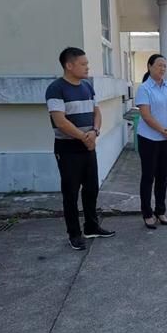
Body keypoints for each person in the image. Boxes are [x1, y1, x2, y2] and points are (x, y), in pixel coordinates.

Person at [45, 47, 115, 251]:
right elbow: (60, 121)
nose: (87, 67)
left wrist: (94, 131)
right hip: (68, 148)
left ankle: (91, 226)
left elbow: (97, 113)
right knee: (71, 192)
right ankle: (74, 234)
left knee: (91, 188)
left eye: (87, 63)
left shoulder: (87, 87)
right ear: (69, 65)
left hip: (89, 145)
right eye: (83, 64)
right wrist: (84, 137)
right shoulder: (56, 89)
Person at [135, 54, 167, 229]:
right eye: (159, 65)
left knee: (162, 177)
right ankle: (147, 213)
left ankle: (160, 211)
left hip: (166, 139)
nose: (163, 69)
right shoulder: (144, 88)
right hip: (149, 140)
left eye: (165, 66)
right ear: (149, 66)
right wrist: (163, 130)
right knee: (148, 177)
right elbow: (146, 115)